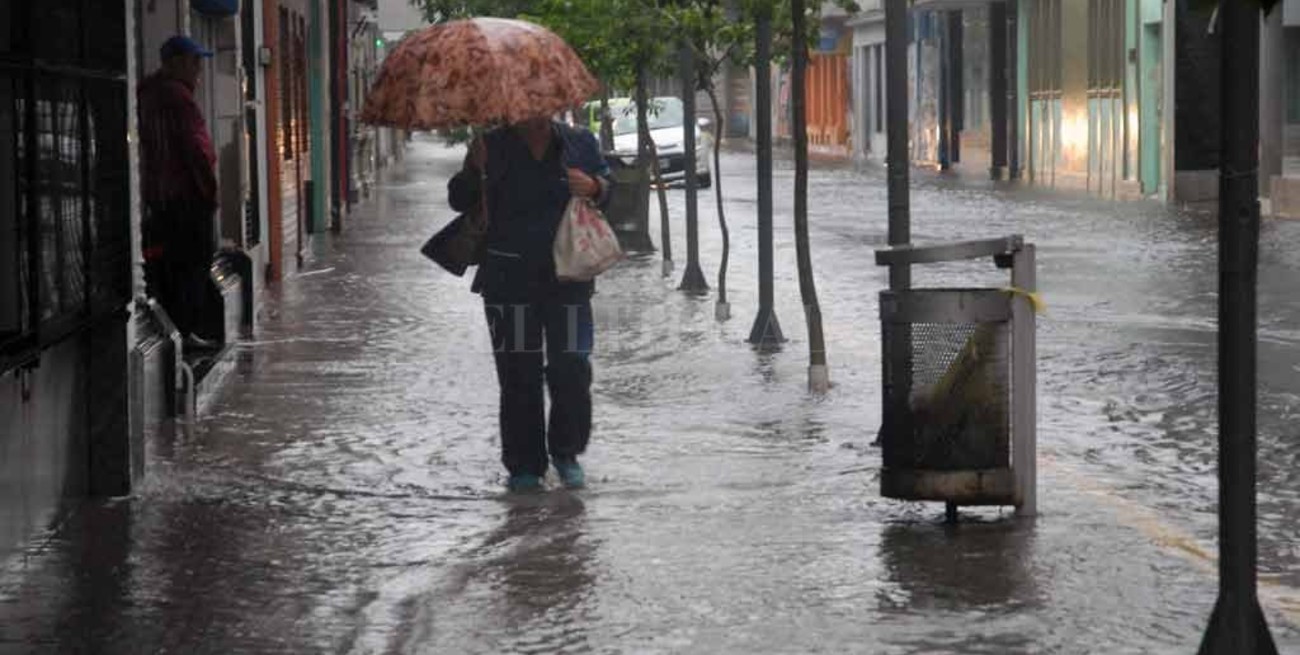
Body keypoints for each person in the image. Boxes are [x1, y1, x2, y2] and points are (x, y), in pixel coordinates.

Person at [448, 118, 613, 492]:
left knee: (572, 365)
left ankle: (566, 452)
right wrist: (474, 168)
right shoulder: (490, 145)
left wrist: (595, 186)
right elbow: (458, 199)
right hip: (508, 280)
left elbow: (609, 188)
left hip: (569, 278)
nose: (536, 107)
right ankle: (525, 465)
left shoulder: (578, 143)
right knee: (518, 373)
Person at [137, 35, 220, 350]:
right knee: (194, 263)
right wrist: (209, 192)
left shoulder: (146, 94)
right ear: (174, 63)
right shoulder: (179, 98)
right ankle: (185, 333)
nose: (199, 69)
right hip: (187, 199)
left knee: (171, 265)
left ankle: (177, 332)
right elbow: (196, 149)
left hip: (158, 198)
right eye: (193, 61)